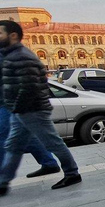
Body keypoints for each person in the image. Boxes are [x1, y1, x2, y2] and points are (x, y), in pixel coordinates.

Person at [0, 21, 81, 196]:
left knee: (52, 142)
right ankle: (3, 181)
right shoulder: (12, 55)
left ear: (13, 35)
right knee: (13, 144)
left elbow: (29, 87)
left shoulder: (21, 56)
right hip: (22, 110)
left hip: (32, 109)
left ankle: (72, 173)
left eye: (0, 33)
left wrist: (16, 107)